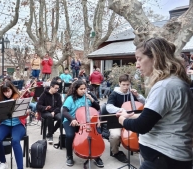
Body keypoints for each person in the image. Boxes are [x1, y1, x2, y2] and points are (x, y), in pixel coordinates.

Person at [117, 37, 193, 169]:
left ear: (155, 57)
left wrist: (123, 120)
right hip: (168, 158)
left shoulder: (164, 86)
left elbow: (142, 126)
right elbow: (161, 117)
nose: (137, 64)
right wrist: (131, 115)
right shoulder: (174, 82)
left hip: (162, 158)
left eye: (139, 59)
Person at [62, 80, 103, 167]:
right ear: (76, 89)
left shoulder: (88, 97)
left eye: (85, 88)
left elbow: (97, 108)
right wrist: (72, 119)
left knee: (97, 133)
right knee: (70, 135)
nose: (84, 91)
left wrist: (92, 100)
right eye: (81, 89)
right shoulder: (70, 98)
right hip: (71, 120)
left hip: (87, 121)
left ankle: (96, 156)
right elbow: (64, 111)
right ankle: (69, 156)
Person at [105, 74, 145, 163]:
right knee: (115, 135)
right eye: (123, 84)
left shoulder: (132, 93)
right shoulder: (114, 94)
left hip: (132, 120)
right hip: (117, 121)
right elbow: (109, 107)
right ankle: (115, 152)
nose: (126, 87)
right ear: (119, 83)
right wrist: (122, 109)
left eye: (128, 84)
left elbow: (145, 103)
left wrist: (138, 96)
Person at [0, 81, 28, 169]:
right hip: (5, 124)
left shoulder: (19, 97)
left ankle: (20, 167)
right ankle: (3, 162)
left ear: (12, 89)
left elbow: (24, 116)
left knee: (15, 140)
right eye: (4, 92)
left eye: (8, 91)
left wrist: (26, 112)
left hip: (18, 124)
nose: (7, 94)